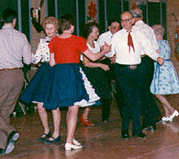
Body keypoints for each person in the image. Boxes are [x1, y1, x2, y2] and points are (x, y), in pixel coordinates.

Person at [44, 14, 111, 150]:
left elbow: (51, 63)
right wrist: (105, 51)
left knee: (69, 106)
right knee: (73, 107)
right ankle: (69, 141)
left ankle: (70, 137)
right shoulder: (78, 40)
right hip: (72, 73)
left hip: (59, 74)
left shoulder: (54, 41)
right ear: (72, 26)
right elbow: (92, 57)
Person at [0, 8, 32, 155]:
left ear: (2, 20)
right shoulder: (22, 36)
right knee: (5, 112)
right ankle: (1, 145)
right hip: (18, 76)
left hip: (3, 75)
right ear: (14, 21)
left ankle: (11, 131)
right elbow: (28, 60)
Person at [111, 11, 164, 139]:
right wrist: (108, 53)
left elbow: (148, 48)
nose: (125, 23)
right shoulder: (117, 36)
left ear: (132, 21)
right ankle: (124, 130)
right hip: (122, 71)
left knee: (137, 100)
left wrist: (157, 57)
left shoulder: (139, 34)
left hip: (136, 70)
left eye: (127, 20)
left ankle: (136, 129)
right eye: (123, 20)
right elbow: (111, 52)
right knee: (128, 100)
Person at [19, 17, 61, 144]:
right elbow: (36, 59)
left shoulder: (61, 40)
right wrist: (27, 50)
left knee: (54, 105)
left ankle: (56, 133)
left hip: (58, 71)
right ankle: (46, 130)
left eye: (51, 28)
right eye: (47, 28)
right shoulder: (43, 42)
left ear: (56, 28)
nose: (49, 30)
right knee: (40, 105)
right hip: (45, 71)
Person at [130, 7, 162, 131]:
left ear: (133, 18)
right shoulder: (149, 28)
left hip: (141, 60)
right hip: (149, 62)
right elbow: (154, 46)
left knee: (141, 91)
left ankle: (149, 120)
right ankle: (153, 115)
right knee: (145, 90)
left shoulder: (135, 29)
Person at [80, 22, 111, 126]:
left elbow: (97, 57)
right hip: (88, 72)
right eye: (96, 32)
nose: (98, 33)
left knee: (100, 93)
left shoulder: (96, 44)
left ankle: (87, 116)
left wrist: (106, 53)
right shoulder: (84, 44)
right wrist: (101, 65)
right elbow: (87, 63)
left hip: (96, 71)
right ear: (90, 33)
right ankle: (84, 117)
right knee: (91, 94)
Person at [150, 24, 179, 122]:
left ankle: (172, 110)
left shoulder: (158, 44)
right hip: (167, 67)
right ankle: (167, 115)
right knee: (162, 92)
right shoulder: (165, 43)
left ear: (157, 35)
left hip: (161, 68)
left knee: (156, 92)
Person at [97, 19, 122, 122]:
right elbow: (99, 50)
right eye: (113, 27)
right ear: (109, 28)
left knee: (121, 89)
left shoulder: (122, 35)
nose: (116, 29)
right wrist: (109, 56)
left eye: (118, 27)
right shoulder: (103, 37)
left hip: (119, 62)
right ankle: (105, 116)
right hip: (106, 62)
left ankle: (124, 113)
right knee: (105, 89)